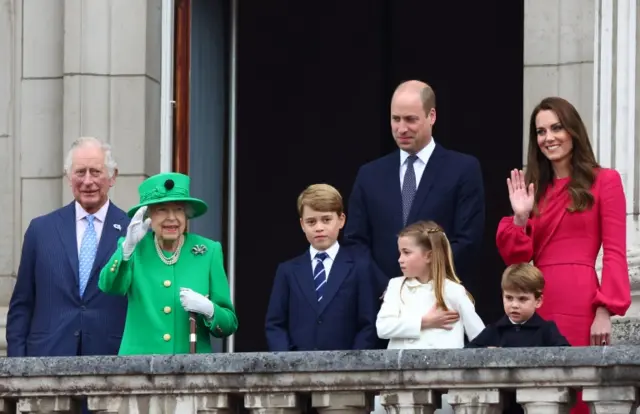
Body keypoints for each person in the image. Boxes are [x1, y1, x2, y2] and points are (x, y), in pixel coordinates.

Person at [496, 97, 631, 414]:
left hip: (581, 300)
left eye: (556, 127)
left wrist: (604, 310)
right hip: (539, 300)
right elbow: (516, 258)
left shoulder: (605, 181)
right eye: (541, 131)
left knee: (577, 395)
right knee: (540, 394)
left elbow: (614, 251)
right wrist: (519, 217)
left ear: (573, 131)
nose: (549, 137)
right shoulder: (533, 188)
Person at [345, 80, 485, 299]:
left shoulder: (462, 170)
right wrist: (389, 288)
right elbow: (355, 241)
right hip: (381, 304)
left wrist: (425, 285)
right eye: (396, 119)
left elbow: (468, 239)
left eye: (411, 119)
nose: (402, 129)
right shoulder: (369, 175)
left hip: (440, 300)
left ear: (432, 116)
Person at [6, 137, 129, 357]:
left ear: (112, 177)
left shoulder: (133, 232)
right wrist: (17, 367)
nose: (88, 181)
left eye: (96, 172)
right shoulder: (40, 230)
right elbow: (22, 304)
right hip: (47, 361)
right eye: (80, 172)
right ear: (68, 177)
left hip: (112, 363)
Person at [98, 172, 238, 355]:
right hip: (139, 369)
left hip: (191, 371)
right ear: (148, 215)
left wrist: (209, 309)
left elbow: (228, 324)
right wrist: (126, 248)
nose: (172, 218)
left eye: (179, 209)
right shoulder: (134, 247)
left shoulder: (208, 252)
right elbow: (109, 286)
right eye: (162, 209)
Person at [375, 220, 484, 414]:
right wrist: (424, 322)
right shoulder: (395, 286)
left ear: (429, 256)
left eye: (407, 253)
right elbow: (383, 328)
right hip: (400, 385)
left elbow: (480, 336)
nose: (400, 259)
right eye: (400, 252)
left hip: (442, 388)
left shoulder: (454, 292)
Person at [265, 184, 378, 351]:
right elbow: (275, 324)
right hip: (297, 368)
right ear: (302, 224)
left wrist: (353, 365)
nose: (319, 227)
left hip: (346, 369)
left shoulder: (360, 267)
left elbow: (368, 324)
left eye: (326, 220)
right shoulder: (287, 271)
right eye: (311, 221)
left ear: (341, 220)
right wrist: (287, 362)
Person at [466, 263, 570, 348]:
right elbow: (465, 354)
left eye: (522, 299)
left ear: (538, 301)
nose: (514, 305)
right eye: (509, 298)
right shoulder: (494, 331)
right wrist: (485, 353)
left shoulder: (547, 330)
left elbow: (567, 356)